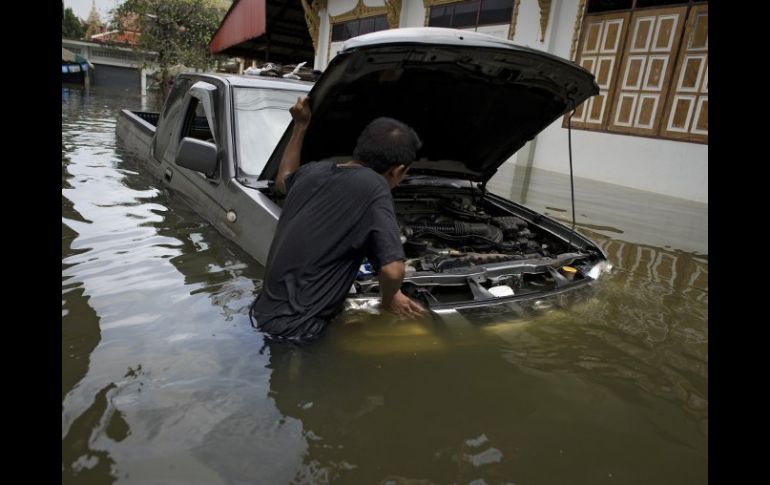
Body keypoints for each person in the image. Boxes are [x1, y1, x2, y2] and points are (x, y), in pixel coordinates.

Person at [250, 96, 426, 341]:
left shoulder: (314, 171)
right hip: (300, 329)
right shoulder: (375, 186)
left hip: (264, 313)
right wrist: (388, 301)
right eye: (402, 176)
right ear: (397, 170)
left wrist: (301, 126)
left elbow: (283, 180)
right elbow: (394, 270)